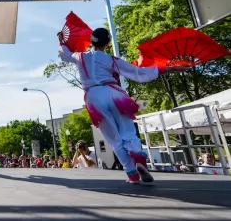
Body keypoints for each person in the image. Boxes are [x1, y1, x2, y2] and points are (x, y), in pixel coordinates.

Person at [58, 28, 188, 184]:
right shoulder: (111, 59)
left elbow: (65, 54)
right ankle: (138, 157)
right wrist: (170, 68)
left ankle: (131, 173)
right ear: (107, 43)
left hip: (93, 96)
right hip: (114, 92)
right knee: (127, 129)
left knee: (113, 137)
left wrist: (61, 40)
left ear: (91, 41)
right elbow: (137, 72)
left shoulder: (80, 57)